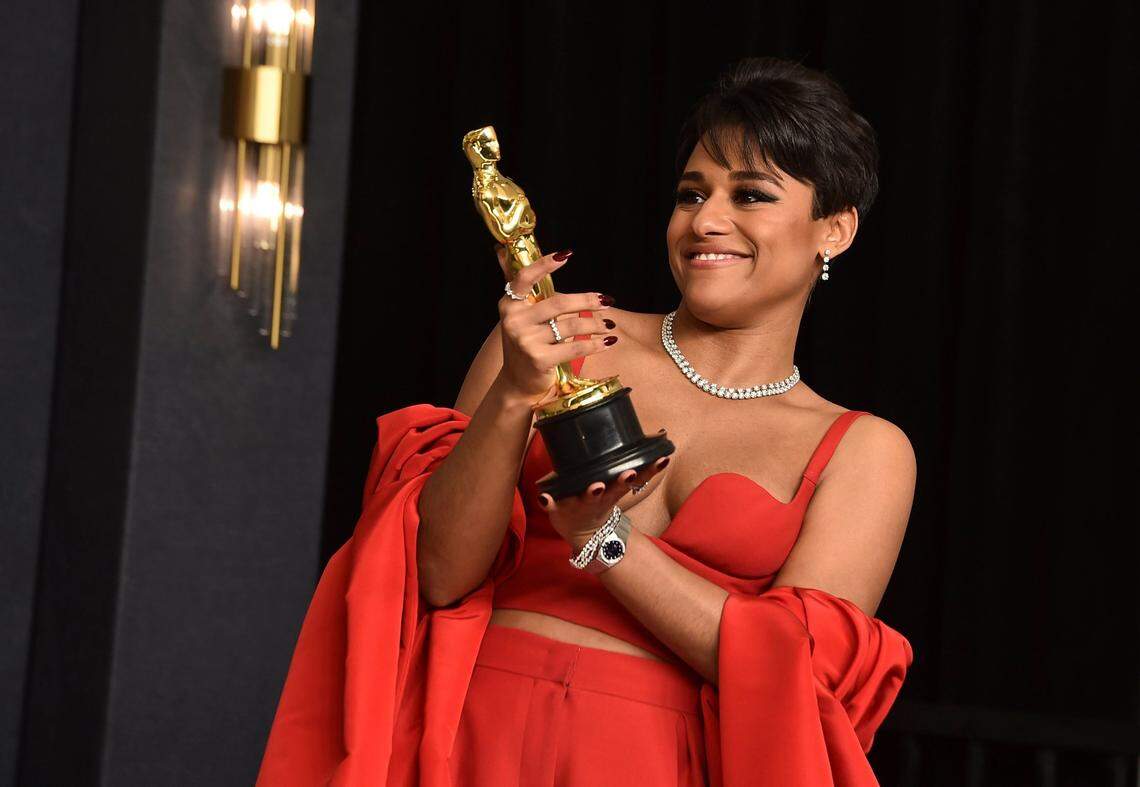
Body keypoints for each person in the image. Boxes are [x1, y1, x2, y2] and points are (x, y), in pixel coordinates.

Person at [257, 56, 917, 787]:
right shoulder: (560, 337)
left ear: (836, 229)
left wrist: (604, 541)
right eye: (691, 193)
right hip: (473, 735)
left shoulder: (863, 449)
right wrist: (513, 395)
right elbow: (438, 576)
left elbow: (794, 671)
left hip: (658, 764)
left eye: (751, 194)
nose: (706, 219)